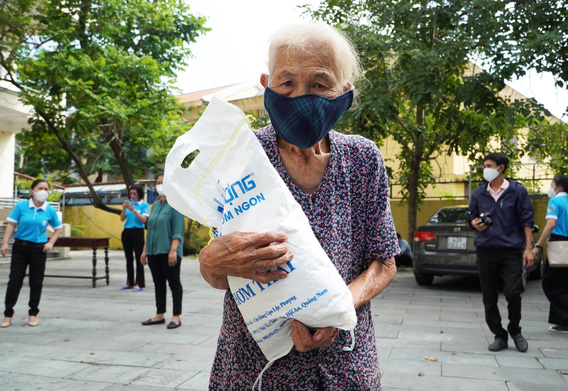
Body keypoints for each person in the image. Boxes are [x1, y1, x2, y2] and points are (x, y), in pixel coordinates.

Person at [197, 23, 400, 390]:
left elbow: (384, 262)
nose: (299, 96)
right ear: (266, 83)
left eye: (319, 84)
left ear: (344, 92)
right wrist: (209, 263)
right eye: (286, 82)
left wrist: (337, 309)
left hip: (345, 366)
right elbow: (222, 273)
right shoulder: (238, 158)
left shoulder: (362, 159)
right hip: (254, 369)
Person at [468, 152, 535, 353]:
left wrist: (529, 248)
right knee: (489, 296)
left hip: (511, 251)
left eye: (489, 165)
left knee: (514, 293)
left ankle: (515, 330)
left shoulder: (517, 191)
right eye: (484, 165)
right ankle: (499, 335)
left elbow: (527, 220)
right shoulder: (479, 193)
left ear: (501, 168)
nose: (485, 169)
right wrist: (475, 224)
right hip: (486, 250)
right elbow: (470, 216)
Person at [1, 179, 63, 328]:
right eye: (40, 188)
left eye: (46, 189)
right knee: (15, 281)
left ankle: (33, 313)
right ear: (32, 191)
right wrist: (4, 243)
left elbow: (58, 228)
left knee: (36, 282)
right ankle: (8, 314)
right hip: (20, 247)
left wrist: (50, 242)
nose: (43, 191)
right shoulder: (21, 206)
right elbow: (11, 224)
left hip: (38, 249)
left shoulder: (50, 210)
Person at [532, 175, 568, 335]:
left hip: (558, 245)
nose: (550, 188)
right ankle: (562, 323)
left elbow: (551, 225)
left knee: (549, 284)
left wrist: (537, 246)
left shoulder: (554, 202)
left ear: (559, 187)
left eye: (552, 184)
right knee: (564, 285)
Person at [140, 173, 185, 329]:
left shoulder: (176, 205)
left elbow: (178, 230)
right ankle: (159, 314)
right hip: (154, 250)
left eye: (162, 182)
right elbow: (150, 229)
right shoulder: (156, 205)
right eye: (158, 182)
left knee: (174, 283)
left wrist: (173, 250)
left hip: (169, 250)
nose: (159, 185)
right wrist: (145, 251)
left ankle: (176, 316)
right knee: (158, 283)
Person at [120, 184, 149, 291]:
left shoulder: (144, 205)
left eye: (134, 193)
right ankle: (130, 281)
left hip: (138, 231)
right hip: (127, 231)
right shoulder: (128, 204)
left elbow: (144, 220)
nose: (132, 195)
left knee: (139, 257)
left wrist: (134, 211)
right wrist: (124, 209)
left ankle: (139, 282)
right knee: (128, 258)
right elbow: (122, 219)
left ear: (139, 194)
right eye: (131, 193)